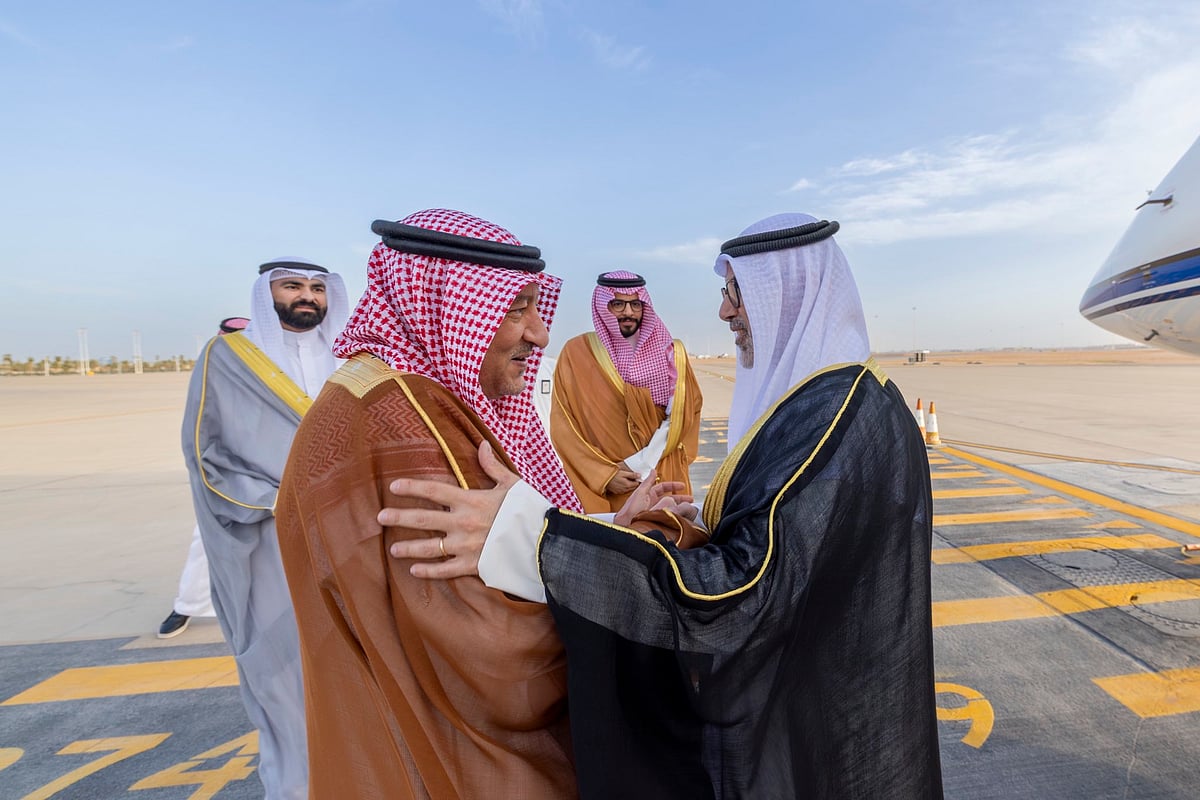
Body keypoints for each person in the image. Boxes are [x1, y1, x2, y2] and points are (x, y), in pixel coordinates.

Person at [383, 214, 944, 799]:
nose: (724, 312)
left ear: (790, 294)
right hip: (819, 681)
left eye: (736, 294)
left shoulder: (833, 415)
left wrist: (535, 541)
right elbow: (791, 539)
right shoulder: (837, 400)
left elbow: (740, 592)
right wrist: (672, 524)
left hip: (827, 710)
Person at [274, 209, 591, 799]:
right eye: (516, 308)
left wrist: (602, 531)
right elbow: (495, 656)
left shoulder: (370, 393)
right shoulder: (406, 423)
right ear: (444, 305)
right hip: (455, 761)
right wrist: (632, 578)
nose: (540, 334)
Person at [183, 261, 348, 799]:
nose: (308, 296)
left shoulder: (355, 360)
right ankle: (297, 786)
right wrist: (275, 501)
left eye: (318, 288)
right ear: (267, 292)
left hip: (352, 535)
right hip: (269, 537)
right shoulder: (227, 357)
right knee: (284, 672)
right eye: (292, 285)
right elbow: (205, 453)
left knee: (358, 666)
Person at [550, 271, 703, 512]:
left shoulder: (671, 353)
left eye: (635, 304)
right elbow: (564, 428)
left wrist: (637, 465)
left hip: (660, 475)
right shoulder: (577, 353)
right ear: (602, 306)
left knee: (668, 532)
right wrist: (604, 475)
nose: (629, 312)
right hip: (607, 487)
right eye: (618, 304)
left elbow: (680, 418)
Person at [159, 317, 250, 639]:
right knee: (207, 537)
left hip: (278, 470)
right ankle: (187, 605)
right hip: (229, 471)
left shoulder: (269, 370)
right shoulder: (213, 369)